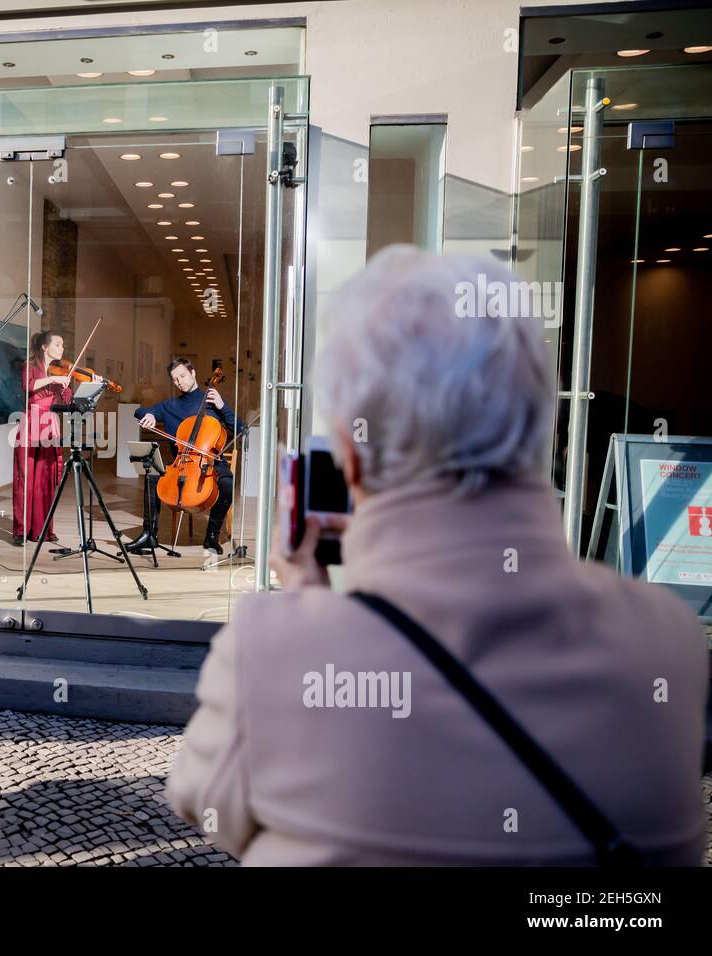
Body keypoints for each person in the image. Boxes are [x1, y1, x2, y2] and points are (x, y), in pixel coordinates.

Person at [167, 247, 708, 865]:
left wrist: (303, 604)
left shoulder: (273, 650)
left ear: (349, 447)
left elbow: (208, 806)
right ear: (540, 423)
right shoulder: (666, 640)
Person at [135, 358, 240, 556]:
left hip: (210, 462)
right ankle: (149, 534)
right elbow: (138, 411)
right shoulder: (170, 405)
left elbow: (239, 428)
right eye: (175, 380)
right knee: (151, 476)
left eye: (182, 376)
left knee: (227, 483)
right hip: (181, 464)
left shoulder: (211, 401)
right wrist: (147, 415)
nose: (180, 382)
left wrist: (222, 405)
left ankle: (211, 536)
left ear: (192, 373)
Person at [10, 330, 89, 546]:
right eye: (58, 344)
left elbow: (65, 401)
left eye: (63, 345)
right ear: (44, 347)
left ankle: (42, 529)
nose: (62, 348)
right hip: (31, 421)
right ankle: (20, 530)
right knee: (24, 477)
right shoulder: (32, 366)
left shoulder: (62, 371)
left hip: (50, 423)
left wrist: (69, 386)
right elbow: (28, 386)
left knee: (44, 480)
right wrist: (53, 378)